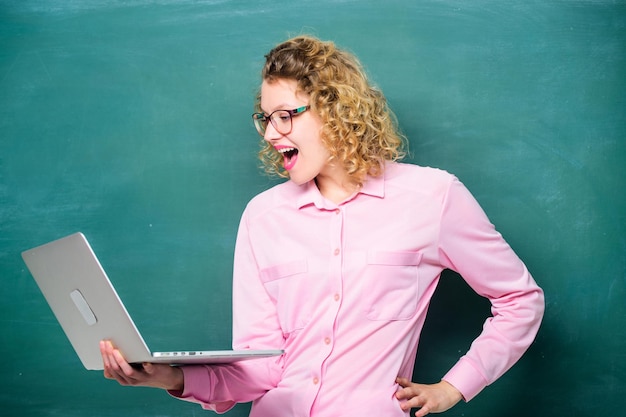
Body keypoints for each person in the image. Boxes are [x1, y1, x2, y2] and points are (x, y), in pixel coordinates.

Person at [100, 35, 544, 417]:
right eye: (265, 118)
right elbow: (261, 368)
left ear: (335, 108)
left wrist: (456, 386)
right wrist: (167, 376)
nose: (271, 134)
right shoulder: (263, 217)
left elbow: (521, 299)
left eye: (285, 115)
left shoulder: (433, 198)